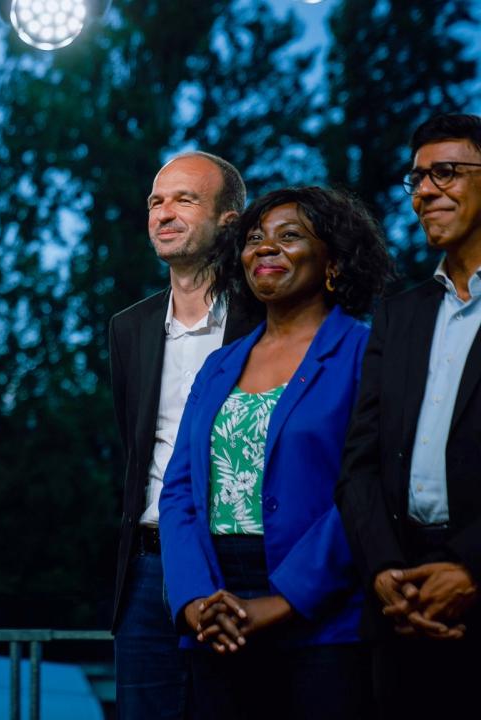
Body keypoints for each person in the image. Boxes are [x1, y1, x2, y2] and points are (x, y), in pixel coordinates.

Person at [160, 187, 394, 719]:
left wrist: (285, 600)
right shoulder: (219, 366)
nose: (265, 248)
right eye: (254, 239)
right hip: (215, 613)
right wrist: (196, 600)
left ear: (333, 261)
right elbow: (178, 493)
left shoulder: (366, 353)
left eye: (290, 237)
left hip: (322, 617)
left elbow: (368, 486)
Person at [335, 113, 481, 717]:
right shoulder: (397, 316)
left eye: (445, 172)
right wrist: (386, 571)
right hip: (398, 602)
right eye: (416, 178)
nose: (424, 191)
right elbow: (358, 463)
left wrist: (472, 569)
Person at [108, 151, 255, 719]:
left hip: (239, 560)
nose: (163, 213)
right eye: (155, 201)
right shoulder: (130, 327)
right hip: (147, 567)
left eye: (184, 199)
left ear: (230, 218)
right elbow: (134, 443)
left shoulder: (265, 317)